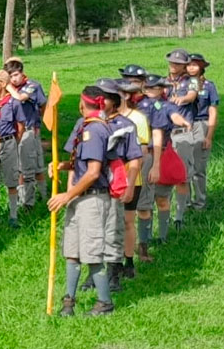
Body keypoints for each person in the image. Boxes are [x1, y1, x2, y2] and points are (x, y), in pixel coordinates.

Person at [48, 86, 114, 317]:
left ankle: (105, 302)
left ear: (82, 102)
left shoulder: (95, 130)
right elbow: (81, 164)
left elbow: (94, 172)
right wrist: (62, 166)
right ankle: (69, 301)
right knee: (72, 251)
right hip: (79, 197)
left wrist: (67, 195)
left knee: (92, 252)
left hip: (92, 198)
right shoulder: (83, 125)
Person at [88, 78, 142, 293]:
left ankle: (113, 272)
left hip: (115, 182)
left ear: (112, 100)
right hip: (92, 182)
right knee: (93, 229)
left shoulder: (126, 125)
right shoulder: (89, 122)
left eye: (102, 97)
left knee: (113, 229)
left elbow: (135, 159)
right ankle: (93, 272)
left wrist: (130, 187)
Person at [138, 74, 191, 244]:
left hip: (160, 154)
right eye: (147, 87)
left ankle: (162, 236)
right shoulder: (139, 105)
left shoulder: (166, 106)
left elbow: (175, 116)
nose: (150, 91)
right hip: (142, 155)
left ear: (161, 89)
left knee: (162, 198)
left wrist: (183, 122)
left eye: (154, 87)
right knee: (144, 203)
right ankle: (145, 240)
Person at [114, 78, 150, 278]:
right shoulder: (105, 117)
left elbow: (142, 152)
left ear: (126, 95)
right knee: (111, 222)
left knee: (128, 221)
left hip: (130, 179)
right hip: (109, 180)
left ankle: (128, 261)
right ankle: (111, 262)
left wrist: (129, 175)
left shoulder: (138, 119)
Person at [0, 70, 25, 228]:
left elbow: (20, 126)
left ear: (3, 84)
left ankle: (13, 216)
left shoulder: (13, 103)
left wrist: (15, 141)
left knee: (11, 180)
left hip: (8, 142)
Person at [4, 57, 47, 207]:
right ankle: (24, 199)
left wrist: (8, 87)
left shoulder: (31, 85)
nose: (14, 79)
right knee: (20, 167)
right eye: (10, 76)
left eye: (16, 75)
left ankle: (38, 198)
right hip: (13, 131)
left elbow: (22, 98)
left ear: (22, 73)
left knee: (34, 166)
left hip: (29, 130)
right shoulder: (8, 89)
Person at [164, 49, 197, 231]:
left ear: (185, 65)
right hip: (166, 134)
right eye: (172, 62)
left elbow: (191, 96)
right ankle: (165, 213)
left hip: (183, 133)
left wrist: (181, 98)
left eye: (177, 63)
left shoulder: (191, 81)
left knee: (182, 177)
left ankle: (180, 215)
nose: (173, 65)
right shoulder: (163, 82)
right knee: (166, 176)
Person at [186, 54, 218, 210]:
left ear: (201, 67)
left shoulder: (209, 86)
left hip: (201, 124)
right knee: (184, 167)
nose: (191, 67)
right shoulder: (181, 85)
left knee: (198, 167)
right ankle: (184, 203)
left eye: (195, 65)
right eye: (189, 64)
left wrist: (209, 136)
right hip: (184, 126)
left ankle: (199, 202)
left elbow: (213, 112)